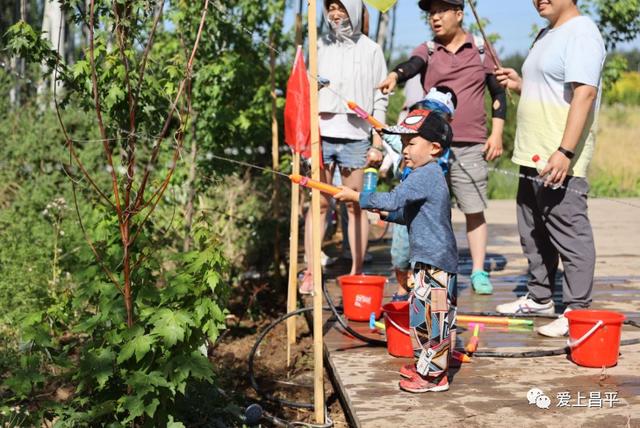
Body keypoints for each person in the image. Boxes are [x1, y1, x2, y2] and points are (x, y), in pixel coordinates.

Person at [378, 0, 507, 295]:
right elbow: (412, 66)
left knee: (473, 208)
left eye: (441, 11)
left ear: (459, 14)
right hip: (430, 147)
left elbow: (498, 92)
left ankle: (477, 271)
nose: (434, 17)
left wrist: (496, 133)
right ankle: (414, 273)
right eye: (430, 12)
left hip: (471, 142)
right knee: (420, 209)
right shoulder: (429, 49)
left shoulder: (482, 49)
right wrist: (394, 77)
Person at [494, 0, 605, 337]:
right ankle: (540, 297)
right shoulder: (545, 34)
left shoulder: (582, 32)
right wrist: (518, 84)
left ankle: (577, 310)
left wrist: (565, 151)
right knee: (533, 232)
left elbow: (584, 94)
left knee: (570, 234)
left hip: (558, 157)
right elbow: (553, 90)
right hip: (531, 154)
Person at [335, 109, 457, 393]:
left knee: (435, 320)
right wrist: (388, 215)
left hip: (436, 262)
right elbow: (409, 213)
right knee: (423, 317)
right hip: (428, 261)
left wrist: (357, 196)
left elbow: (394, 198)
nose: (405, 150)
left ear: (434, 147)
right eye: (403, 144)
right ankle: (427, 366)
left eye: (411, 143)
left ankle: (435, 377)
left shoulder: (425, 174)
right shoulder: (425, 174)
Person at [299, 0, 388, 294]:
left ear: (354, 9)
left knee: (355, 204)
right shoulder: (317, 45)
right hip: (320, 134)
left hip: (356, 136)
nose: (336, 13)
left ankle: (357, 272)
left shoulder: (371, 49)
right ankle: (311, 270)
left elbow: (379, 99)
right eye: (331, 7)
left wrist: (377, 142)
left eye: (342, 7)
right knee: (319, 204)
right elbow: (302, 89)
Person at [385, 86, 458, 302]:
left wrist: (361, 198)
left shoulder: (437, 153)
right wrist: (384, 133)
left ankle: (426, 301)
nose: (406, 148)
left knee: (426, 263)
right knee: (399, 256)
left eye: (437, 114)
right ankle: (403, 288)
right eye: (426, 111)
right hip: (403, 212)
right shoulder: (412, 144)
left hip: (425, 218)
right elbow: (396, 141)